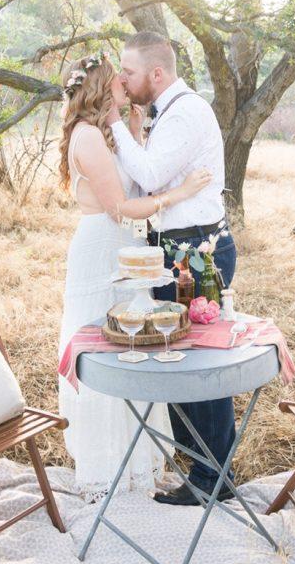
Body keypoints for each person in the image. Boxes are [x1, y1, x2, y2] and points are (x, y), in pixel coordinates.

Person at [57, 52, 212, 502]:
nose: (127, 82)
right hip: (103, 249)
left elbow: (135, 176)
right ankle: (107, 467)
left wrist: (136, 124)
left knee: (134, 347)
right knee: (108, 352)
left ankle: (138, 462)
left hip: (125, 250)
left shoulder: (107, 132)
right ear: (105, 88)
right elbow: (121, 207)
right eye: (120, 79)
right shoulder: (86, 137)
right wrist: (179, 194)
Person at [106, 31, 238, 506]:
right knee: (179, 361)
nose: (124, 79)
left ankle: (213, 478)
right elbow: (148, 192)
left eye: (130, 72)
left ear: (156, 74)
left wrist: (114, 122)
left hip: (196, 256)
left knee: (199, 366)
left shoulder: (185, 112)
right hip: (177, 250)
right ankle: (202, 469)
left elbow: (150, 176)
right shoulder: (169, 112)